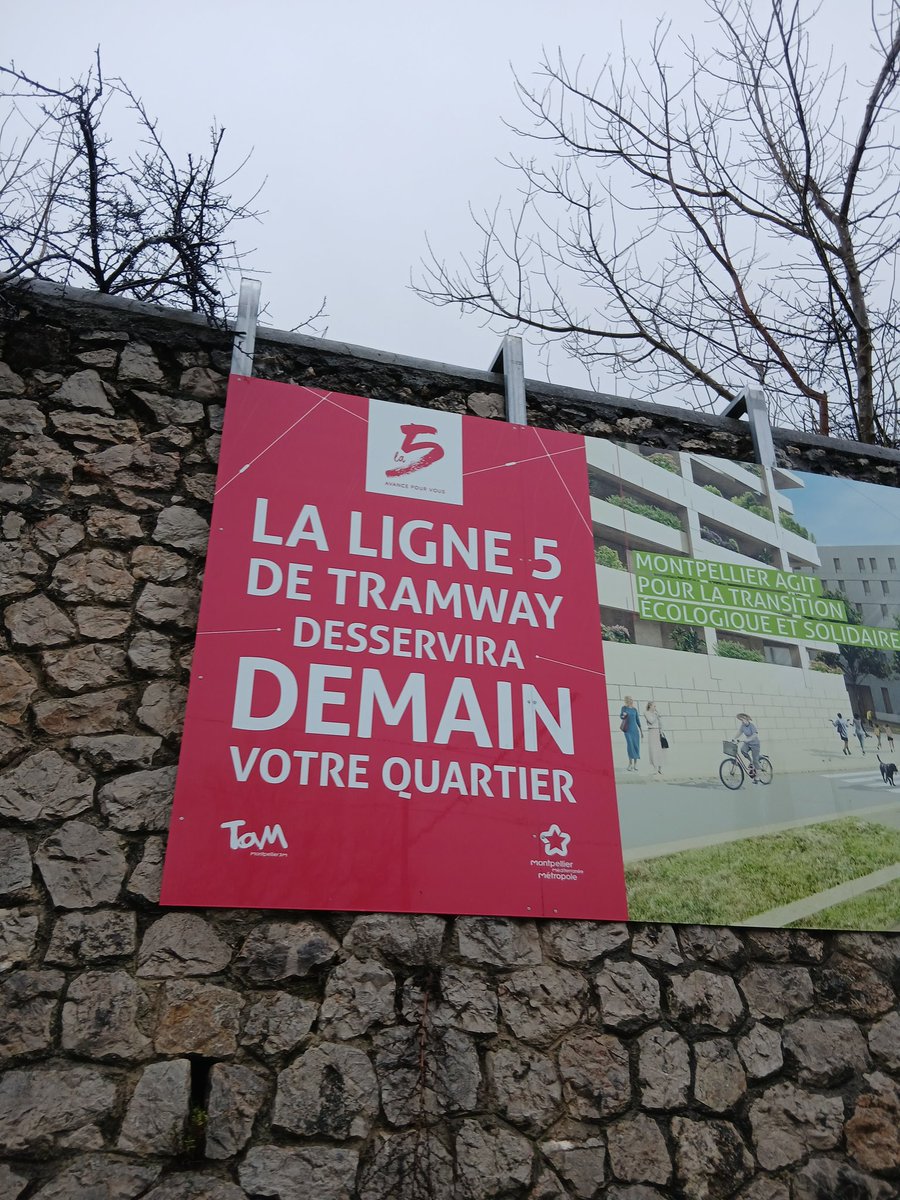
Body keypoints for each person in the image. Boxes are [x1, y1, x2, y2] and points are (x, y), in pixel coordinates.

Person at [735, 712, 762, 782]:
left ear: (746, 719)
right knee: (743, 750)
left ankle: (758, 777)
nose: (742, 721)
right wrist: (734, 738)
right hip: (748, 743)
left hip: (755, 744)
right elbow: (739, 732)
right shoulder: (743, 726)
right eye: (741, 720)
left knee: (756, 760)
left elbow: (755, 735)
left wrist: (748, 739)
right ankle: (751, 762)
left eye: (742, 719)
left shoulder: (751, 726)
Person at [619, 695, 642, 771]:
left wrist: (641, 731)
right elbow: (621, 716)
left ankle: (635, 764)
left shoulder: (635, 709)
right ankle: (630, 763)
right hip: (627, 730)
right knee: (630, 745)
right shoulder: (624, 708)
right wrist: (624, 714)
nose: (631, 700)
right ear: (627, 700)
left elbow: (637, 720)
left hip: (635, 730)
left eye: (632, 699)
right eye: (629, 699)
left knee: (636, 746)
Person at [644, 700, 665, 776]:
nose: (655, 707)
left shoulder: (655, 713)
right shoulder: (646, 713)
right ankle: (655, 768)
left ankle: (660, 769)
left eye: (655, 706)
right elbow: (651, 721)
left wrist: (661, 731)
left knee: (659, 750)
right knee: (653, 750)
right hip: (652, 732)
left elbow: (660, 723)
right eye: (654, 706)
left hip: (657, 732)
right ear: (650, 706)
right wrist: (656, 715)